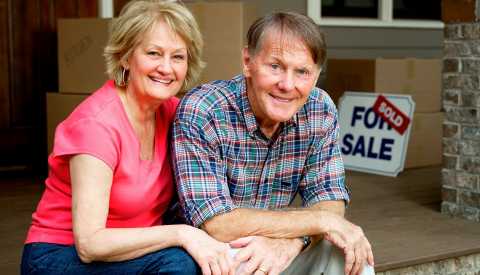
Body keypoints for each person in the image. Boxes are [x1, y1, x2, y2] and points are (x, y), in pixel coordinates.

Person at [21, 1, 233, 274]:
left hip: (134, 253)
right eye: (154, 53)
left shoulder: (174, 113)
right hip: (59, 256)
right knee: (180, 263)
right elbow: (90, 243)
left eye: (178, 57)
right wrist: (182, 234)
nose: (166, 68)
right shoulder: (97, 125)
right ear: (125, 56)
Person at [172, 11, 375, 275]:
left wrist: (294, 241)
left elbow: (329, 198)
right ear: (248, 62)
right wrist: (320, 221)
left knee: (351, 254)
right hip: (215, 252)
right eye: (275, 66)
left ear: (316, 76)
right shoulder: (204, 111)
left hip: (281, 244)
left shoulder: (319, 109)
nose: (287, 84)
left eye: (302, 71)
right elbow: (218, 223)